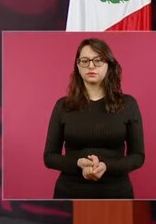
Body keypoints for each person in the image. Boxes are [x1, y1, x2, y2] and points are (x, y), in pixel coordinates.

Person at [43, 38, 145, 199]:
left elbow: (138, 156)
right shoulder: (63, 105)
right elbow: (49, 157)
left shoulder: (128, 104)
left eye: (98, 60)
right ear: (78, 66)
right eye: (85, 61)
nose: (91, 66)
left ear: (109, 65)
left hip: (116, 193)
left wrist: (107, 166)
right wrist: (78, 163)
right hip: (70, 192)